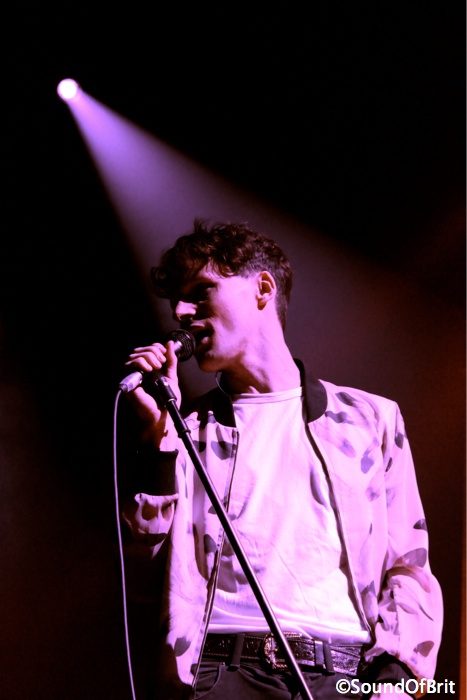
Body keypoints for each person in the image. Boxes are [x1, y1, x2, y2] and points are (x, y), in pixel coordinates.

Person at [120, 220, 443, 700]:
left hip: (347, 675)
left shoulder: (370, 419)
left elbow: (408, 565)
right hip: (224, 674)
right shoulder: (188, 431)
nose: (182, 313)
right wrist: (158, 446)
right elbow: (145, 571)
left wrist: (399, 676)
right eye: (177, 303)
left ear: (263, 289)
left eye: (201, 292)